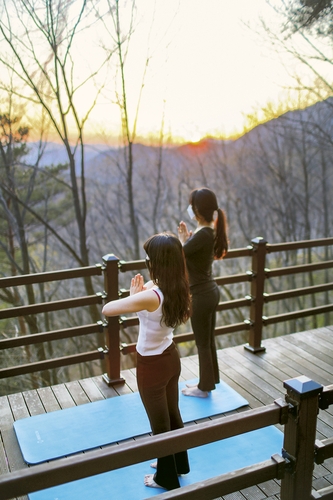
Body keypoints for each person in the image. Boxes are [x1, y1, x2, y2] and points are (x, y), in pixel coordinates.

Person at [102, 233, 191, 491]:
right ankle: (179, 463)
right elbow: (151, 309)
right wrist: (136, 297)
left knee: (159, 424)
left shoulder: (153, 294)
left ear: (158, 263)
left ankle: (165, 477)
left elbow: (108, 309)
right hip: (171, 357)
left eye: (148, 258)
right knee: (173, 414)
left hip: (151, 366)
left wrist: (132, 298)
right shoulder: (177, 284)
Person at [177, 187, 228, 398]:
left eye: (192, 205)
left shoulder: (204, 234)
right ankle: (211, 379)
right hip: (208, 292)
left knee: (202, 343)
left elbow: (179, 255)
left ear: (197, 210)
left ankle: (204, 388)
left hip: (201, 295)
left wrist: (182, 240)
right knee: (208, 340)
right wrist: (187, 239)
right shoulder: (205, 232)